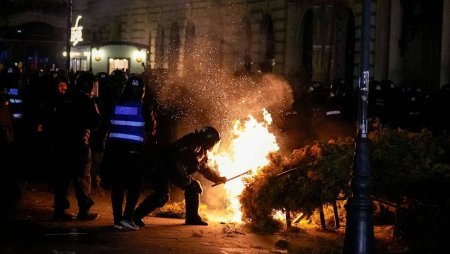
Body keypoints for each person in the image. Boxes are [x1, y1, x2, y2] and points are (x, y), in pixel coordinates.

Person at [133, 126, 227, 227]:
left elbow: (204, 168)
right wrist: (184, 178)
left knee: (194, 186)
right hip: (161, 168)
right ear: (208, 140)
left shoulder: (201, 149)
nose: (214, 145)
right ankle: (136, 216)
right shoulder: (190, 143)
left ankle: (192, 217)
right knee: (162, 196)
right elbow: (174, 159)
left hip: (174, 171)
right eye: (213, 142)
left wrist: (217, 178)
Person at [39, 73, 100, 221]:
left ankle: (59, 210)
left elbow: (51, 119)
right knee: (82, 179)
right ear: (89, 85)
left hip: (62, 145)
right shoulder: (86, 101)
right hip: (79, 145)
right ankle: (84, 210)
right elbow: (95, 123)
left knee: (62, 179)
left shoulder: (64, 98)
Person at [101, 75, 157, 230]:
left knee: (118, 185)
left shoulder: (117, 104)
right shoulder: (144, 107)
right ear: (142, 91)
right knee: (135, 185)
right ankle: (127, 218)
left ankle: (117, 219)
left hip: (115, 151)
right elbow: (151, 129)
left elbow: (107, 124)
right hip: (134, 153)